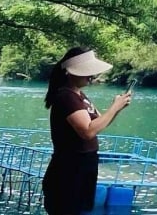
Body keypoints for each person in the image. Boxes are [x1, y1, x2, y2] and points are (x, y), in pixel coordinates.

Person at [42, 48, 130, 215]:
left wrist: (118, 108)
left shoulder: (79, 96)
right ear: (70, 73)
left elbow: (98, 124)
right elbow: (88, 131)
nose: (91, 76)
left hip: (84, 166)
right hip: (69, 169)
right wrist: (114, 107)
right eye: (86, 72)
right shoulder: (66, 97)